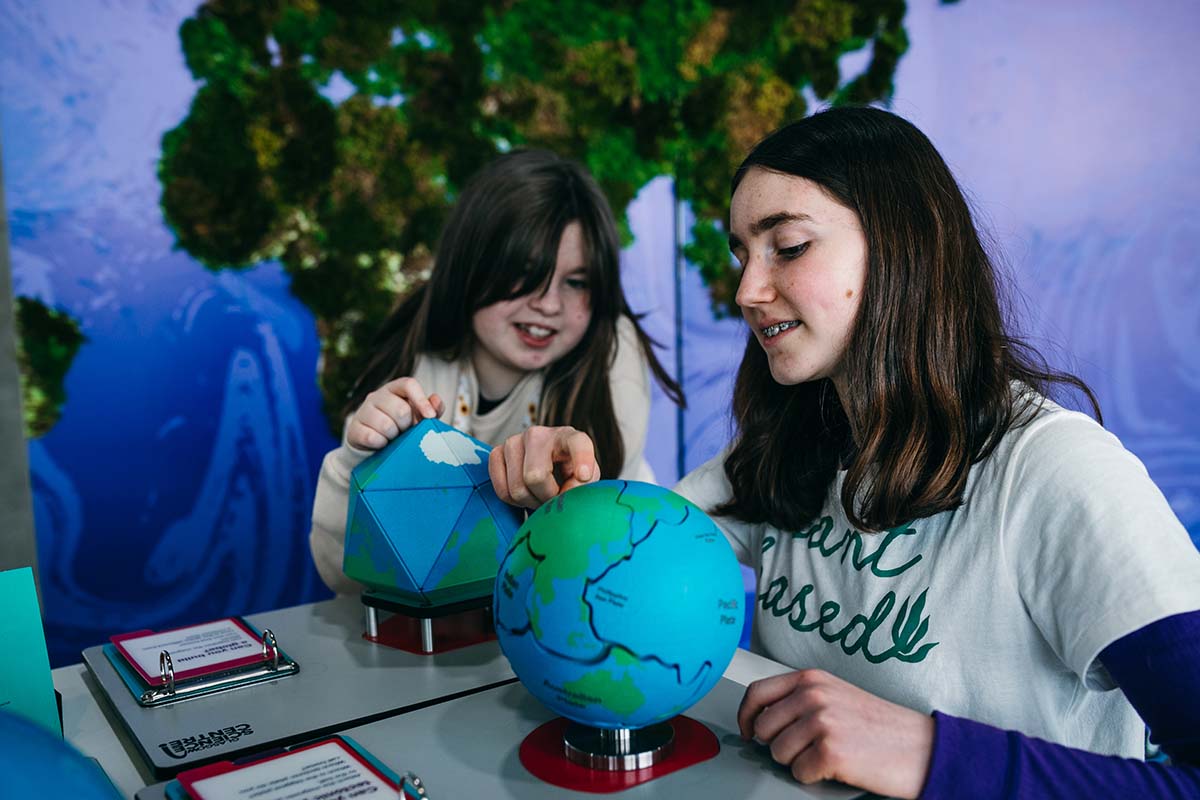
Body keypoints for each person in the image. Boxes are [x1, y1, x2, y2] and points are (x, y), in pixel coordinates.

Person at [487, 107, 1200, 798]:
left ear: (903, 245)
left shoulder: (1062, 472)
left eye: (788, 247)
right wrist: (559, 482)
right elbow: (625, 555)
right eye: (741, 253)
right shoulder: (785, 449)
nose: (747, 290)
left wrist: (930, 754)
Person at [310, 149, 682, 595]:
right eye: (526, 273)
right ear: (470, 266)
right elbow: (349, 581)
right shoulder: (411, 363)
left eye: (576, 282)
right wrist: (358, 459)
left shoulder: (610, 349)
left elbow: (585, 577)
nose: (548, 304)